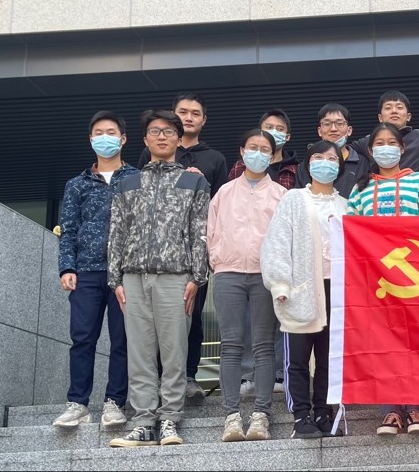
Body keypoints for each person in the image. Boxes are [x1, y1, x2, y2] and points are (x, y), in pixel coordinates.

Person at [107, 110, 210, 447]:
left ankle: (169, 420)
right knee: (139, 353)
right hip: (133, 278)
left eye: (168, 131)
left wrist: (197, 277)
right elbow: (117, 233)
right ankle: (143, 422)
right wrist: (115, 279)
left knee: (174, 352)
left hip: (176, 278)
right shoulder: (127, 182)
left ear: (179, 139)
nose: (162, 136)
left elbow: (200, 233)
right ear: (145, 139)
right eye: (155, 131)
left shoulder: (194, 182)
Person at [136, 92, 227, 404]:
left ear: (204, 120)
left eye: (195, 113)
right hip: (153, 254)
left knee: (193, 315)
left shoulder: (214, 159)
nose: (189, 118)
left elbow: (218, 208)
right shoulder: (150, 153)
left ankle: (188, 376)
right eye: (183, 112)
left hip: (192, 254)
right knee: (152, 321)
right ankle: (156, 380)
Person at [347, 123, 419, 435]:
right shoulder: (360, 188)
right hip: (376, 280)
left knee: (415, 342)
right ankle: (391, 411)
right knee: (384, 344)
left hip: (414, 277)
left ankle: (416, 408)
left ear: (402, 148)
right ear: (371, 151)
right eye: (379, 144)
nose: (386, 148)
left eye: (391, 143)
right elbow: (350, 231)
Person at [53, 112, 137, 430]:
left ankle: (115, 402)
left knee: (122, 340)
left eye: (110, 132)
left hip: (126, 273)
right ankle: (78, 403)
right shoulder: (77, 184)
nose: (105, 137)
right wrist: (67, 266)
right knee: (82, 338)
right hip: (86, 271)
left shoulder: (137, 179)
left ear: (123, 139)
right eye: (98, 133)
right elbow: (69, 229)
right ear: (90, 140)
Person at [262, 141, 348, 439]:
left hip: (336, 290)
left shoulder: (345, 205)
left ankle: (324, 413)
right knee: (297, 359)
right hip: (302, 290)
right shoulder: (294, 199)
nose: (326, 163)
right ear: (308, 164)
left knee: (328, 358)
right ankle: (301, 416)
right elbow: (277, 242)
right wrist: (280, 282)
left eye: (332, 158)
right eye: (319, 157)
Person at [208, 130, 286, 442]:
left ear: (273, 155)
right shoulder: (224, 192)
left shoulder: (280, 194)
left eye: (264, 149)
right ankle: (231, 415)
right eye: (252, 147)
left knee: (264, 345)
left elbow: (286, 236)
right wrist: (217, 258)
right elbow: (211, 231)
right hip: (228, 273)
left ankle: (261, 415)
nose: (258, 153)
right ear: (242, 151)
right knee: (230, 344)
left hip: (265, 275)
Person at [294, 104, 367, 199]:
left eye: (339, 124)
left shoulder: (363, 164)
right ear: (319, 131)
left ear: (349, 130)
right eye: (327, 124)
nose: (333, 129)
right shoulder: (307, 165)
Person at [354, 91, 419, 171]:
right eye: (388, 108)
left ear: (408, 116)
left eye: (399, 107)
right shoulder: (369, 141)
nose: (394, 111)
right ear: (380, 117)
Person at [228, 109, 300, 189]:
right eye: (269, 127)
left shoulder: (296, 170)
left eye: (280, 129)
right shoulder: (241, 166)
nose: (274, 132)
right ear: (260, 131)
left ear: (287, 137)